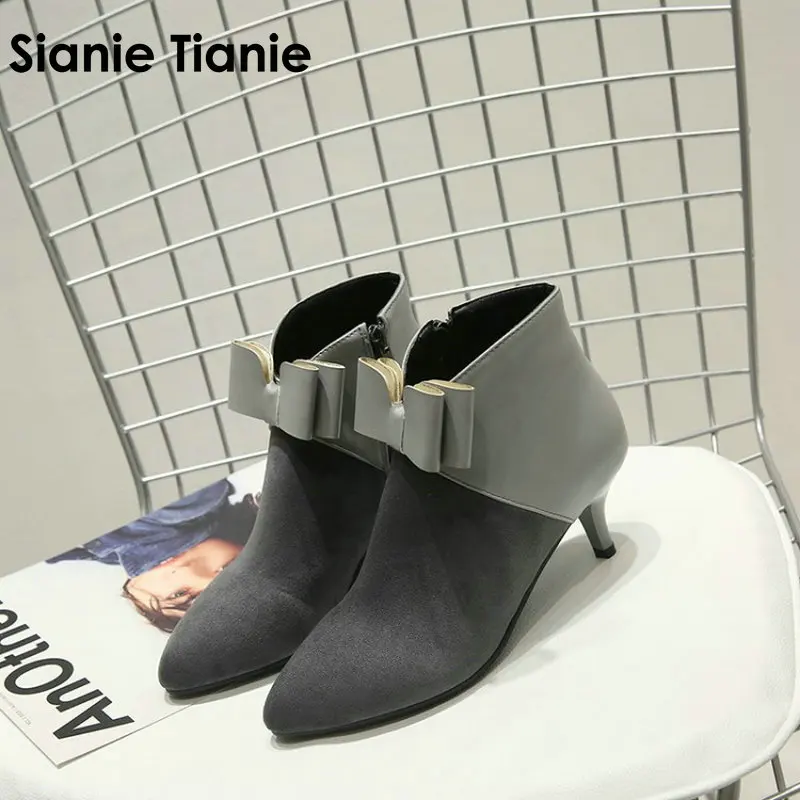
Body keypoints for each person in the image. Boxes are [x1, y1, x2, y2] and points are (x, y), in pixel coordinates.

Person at [47, 479, 259, 633]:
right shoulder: (189, 506)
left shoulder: (109, 554)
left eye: (178, 594)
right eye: (227, 569)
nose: (187, 571)